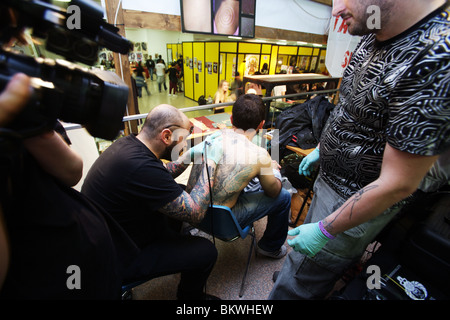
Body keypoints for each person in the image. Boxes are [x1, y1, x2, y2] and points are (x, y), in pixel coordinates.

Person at [269, 0, 450, 300]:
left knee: (300, 283)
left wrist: (326, 230)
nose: (335, 8)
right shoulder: (375, 28)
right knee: (302, 266)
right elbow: (350, 106)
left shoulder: (436, 59)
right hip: (329, 181)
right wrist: (323, 148)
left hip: (350, 199)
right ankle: (299, 274)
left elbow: (397, 184)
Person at [0, 72, 138, 298]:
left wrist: (28, 121)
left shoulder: (26, 115)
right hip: (43, 275)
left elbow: (72, 170)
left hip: (85, 253)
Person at [81, 104, 224, 300]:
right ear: (166, 136)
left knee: (179, 192)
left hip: (111, 234)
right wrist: (211, 163)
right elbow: (196, 213)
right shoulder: (140, 166)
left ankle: (176, 252)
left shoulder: (130, 146)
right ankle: (190, 299)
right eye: (183, 140)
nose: (184, 145)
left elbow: (159, 176)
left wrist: (189, 155)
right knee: (206, 252)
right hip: (117, 257)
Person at [187, 94, 291, 258]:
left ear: (231, 118)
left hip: (192, 212)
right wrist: (273, 168)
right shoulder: (260, 155)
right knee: (284, 197)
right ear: (261, 125)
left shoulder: (213, 137)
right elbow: (273, 192)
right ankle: (269, 247)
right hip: (223, 224)